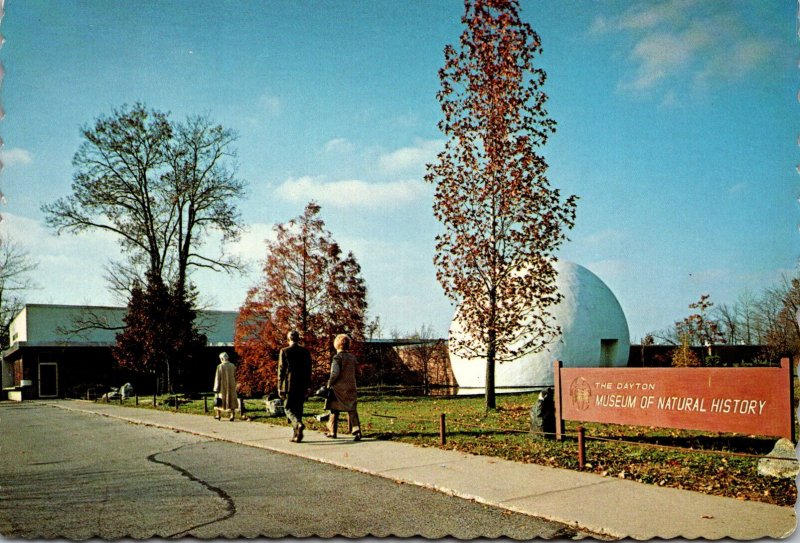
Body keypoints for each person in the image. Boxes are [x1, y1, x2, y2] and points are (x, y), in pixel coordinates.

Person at [324, 333, 361, 441]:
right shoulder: (352, 358)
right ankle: (356, 430)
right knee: (352, 409)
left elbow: (335, 373)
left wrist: (329, 383)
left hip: (338, 389)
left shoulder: (337, 358)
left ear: (336, 344)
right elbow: (358, 372)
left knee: (334, 410)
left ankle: (332, 431)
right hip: (351, 387)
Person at [278, 330, 312, 442]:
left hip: (289, 384)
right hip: (302, 384)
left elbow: (281, 370)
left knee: (288, 408)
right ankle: (297, 435)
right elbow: (308, 370)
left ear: (288, 339)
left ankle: (298, 424)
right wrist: (308, 385)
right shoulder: (305, 352)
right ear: (298, 339)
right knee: (298, 409)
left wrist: (279, 386)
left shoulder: (284, 351)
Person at [213, 352, 238, 421]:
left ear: (221, 358)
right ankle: (232, 415)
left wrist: (216, 388)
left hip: (222, 387)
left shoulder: (220, 366)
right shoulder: (232, 366)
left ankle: (218, 415)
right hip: (231, 385)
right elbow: (235, 375)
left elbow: (217, 378)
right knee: (232, 399)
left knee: (219, 400)